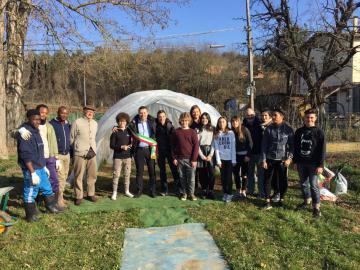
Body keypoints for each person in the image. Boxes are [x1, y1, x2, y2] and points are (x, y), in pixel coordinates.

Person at [17, 109, 63, 222]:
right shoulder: (25, 133)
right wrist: (32, 172)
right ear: (29, 119)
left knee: (47, 188)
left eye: (38, 119)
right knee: (30, 191)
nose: (37, 121)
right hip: (31, 168)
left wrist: (44, 166)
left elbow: (40, 151)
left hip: (40, 166)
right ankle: (30, 216)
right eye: (34, 119)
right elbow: (25, 154)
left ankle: (51, 207)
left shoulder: (36, 131)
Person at [293, 108, 325, 218]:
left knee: (314, 185)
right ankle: (306, 200)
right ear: (304, 118)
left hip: (314, 164)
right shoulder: (299, 131)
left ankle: (316, 207)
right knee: (303, 183)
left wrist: (321, 165)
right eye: (307, 117)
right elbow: (296, 148)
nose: (309, 119)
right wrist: (295, 161)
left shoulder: (319, 132)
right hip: (301, 163)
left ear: (315, 118)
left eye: (312, 117)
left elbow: (322, 150)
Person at [261, 107, 294, 210]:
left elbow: (292, 146)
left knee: (283, 180)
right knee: (268, 180)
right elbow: (264, 146)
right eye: (273, 115)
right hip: (270, 159)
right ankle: (267, 201)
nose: (273, 117)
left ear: (282, 117)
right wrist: (263, 160)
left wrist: (289, 159)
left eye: (276, 115)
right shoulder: (269, 129)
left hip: (282, 160)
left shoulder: (288, 130)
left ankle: (281, 199)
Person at [70, 105, 98, 205]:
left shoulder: (95, 123)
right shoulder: (77, 122)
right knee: (79, 175)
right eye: (88, 111)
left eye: (92, 111)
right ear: (84, 111)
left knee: (92, 174)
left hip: (92, 152)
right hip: (80, 152)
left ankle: (91, 193)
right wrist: (77, 148)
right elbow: (72, 138)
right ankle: (79, 196)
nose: (90, 113)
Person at [129, 106, 157, 198]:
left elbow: (163, 121)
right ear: (138, 113)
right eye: (141, 113)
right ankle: (139, 190)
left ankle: (152, 190)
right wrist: (115, 127)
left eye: (144, 112)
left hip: (150, 150)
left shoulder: (152, 121)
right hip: (139, 150)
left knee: (152, 171)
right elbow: (124, 127)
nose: (143, 114)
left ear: (147, 113)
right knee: (139, 172)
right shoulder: (133, 123)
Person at [171, 112, 199, 201]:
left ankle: (191, 194)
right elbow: (172, 146)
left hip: (191, 159)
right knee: (182, 178)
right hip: (180, 159)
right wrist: (174, 157)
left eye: (186, 121)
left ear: (189, 121)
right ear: (180, 121)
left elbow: (196, 146)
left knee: (191, 179)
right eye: (183, 121)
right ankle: (184, 193)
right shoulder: (176, 132)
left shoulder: (192, 132)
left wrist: (194, 159)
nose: (184, 122)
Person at [49, 106, 71, 208]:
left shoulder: (68, 124)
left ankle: (61, 197)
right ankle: (58, 200)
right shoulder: (52, 124)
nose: (64, 115)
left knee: (65, 176)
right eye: (62, 113)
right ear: (58, 113)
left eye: (66, 113)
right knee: (60, 178)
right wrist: (54, 156)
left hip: (67, 154)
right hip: (58, 155)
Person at [155, 110, 180, 196]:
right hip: (160, 152)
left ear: (166, 117)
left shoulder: (170, 127)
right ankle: (164, 189)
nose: (161, 118)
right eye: (159, 117)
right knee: (162, 171)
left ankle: (177, 188)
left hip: (170, 151)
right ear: (157, 118)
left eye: (163, 116)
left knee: (174, 170)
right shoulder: (155, 126)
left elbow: (175, 139)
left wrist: (175, 153)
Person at [110, 112, 133, 200]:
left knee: (127, 174)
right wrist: (121, 147)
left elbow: (132, 141)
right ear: (117, 122)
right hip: (118, 157)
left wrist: (130, 146)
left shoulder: (129, 131)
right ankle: (114, 192)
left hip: (127, 157)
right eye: (120, 121)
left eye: (123, 121)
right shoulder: (115, 132)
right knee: (116, 175)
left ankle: (127, 191)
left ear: (126, 122)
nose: (122, 123)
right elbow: (111, 146)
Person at [214, 116, 236, 203]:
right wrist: (218, 160)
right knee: (223, 178)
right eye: (220, 122)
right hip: (221, 160)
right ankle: (225, 193)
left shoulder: (231, 133)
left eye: (223, 121)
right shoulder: (217, 134)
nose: (221, 123)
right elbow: (216, 148)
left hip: (230, 159)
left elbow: (233, 147)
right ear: (218, 124)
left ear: (226, 123)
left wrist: (234, 160)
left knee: (229, 178)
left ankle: (230, 193)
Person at [231, 116, 253, 198]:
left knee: (244, 174)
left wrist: (248, 155)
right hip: (235, 155)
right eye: (233, 121)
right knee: (236, 173)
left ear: (239, 122)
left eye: (236, 121)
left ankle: (244, 190)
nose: (234, 123)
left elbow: (250, 143)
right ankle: (238, 190)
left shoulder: (245, 130)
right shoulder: (231, 131)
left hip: (245, 155)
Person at [243, 108, 263, 196]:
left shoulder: (260, 124)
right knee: (250, 173)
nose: (250, 116)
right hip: (249, 153)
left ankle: (261, 192)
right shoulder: (243, 125)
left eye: (251, 115)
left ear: (254, 114)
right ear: (245, 116)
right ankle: (250, 190)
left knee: (260, 174)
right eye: (248, 115)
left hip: (259, 152)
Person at [197, 112, 215, 200]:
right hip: (201, 152)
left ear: (208, 119)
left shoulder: (212, 129)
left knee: (211, 172)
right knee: (202, 173)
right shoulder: (198, 130)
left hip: (210, 151)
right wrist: (202, 156)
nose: (204, 120)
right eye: (202, 118)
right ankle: (204, 190)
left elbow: (214, 143)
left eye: (206, 118)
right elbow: (196, 144)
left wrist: (211, 155)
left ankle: (211, 190)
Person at [258, 108, 273, 198]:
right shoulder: (261, 126)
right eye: (262, 116)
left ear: (270, 116)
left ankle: (270, 193)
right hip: (261, 153)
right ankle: (262, 193)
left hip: (271, 154)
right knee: (261, 174)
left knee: (270, 175)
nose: (264, 117)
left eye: (266, 116)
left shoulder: (273, 126)